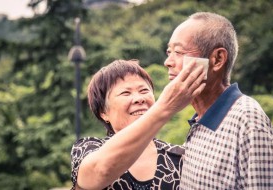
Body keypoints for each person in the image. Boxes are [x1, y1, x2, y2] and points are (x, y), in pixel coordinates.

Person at [164, 12, 273, 189]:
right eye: (169, 52)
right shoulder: (199, 119)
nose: (168, 61)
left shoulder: (248, 120)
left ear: (217, 59)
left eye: (178, 52)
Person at [70, 59, 206, 190]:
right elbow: (100, 171)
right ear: (103, 112)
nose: (139, 99)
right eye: (126, 93)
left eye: (144, 91)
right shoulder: (87, 149)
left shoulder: (179, 156)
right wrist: (165, 108)